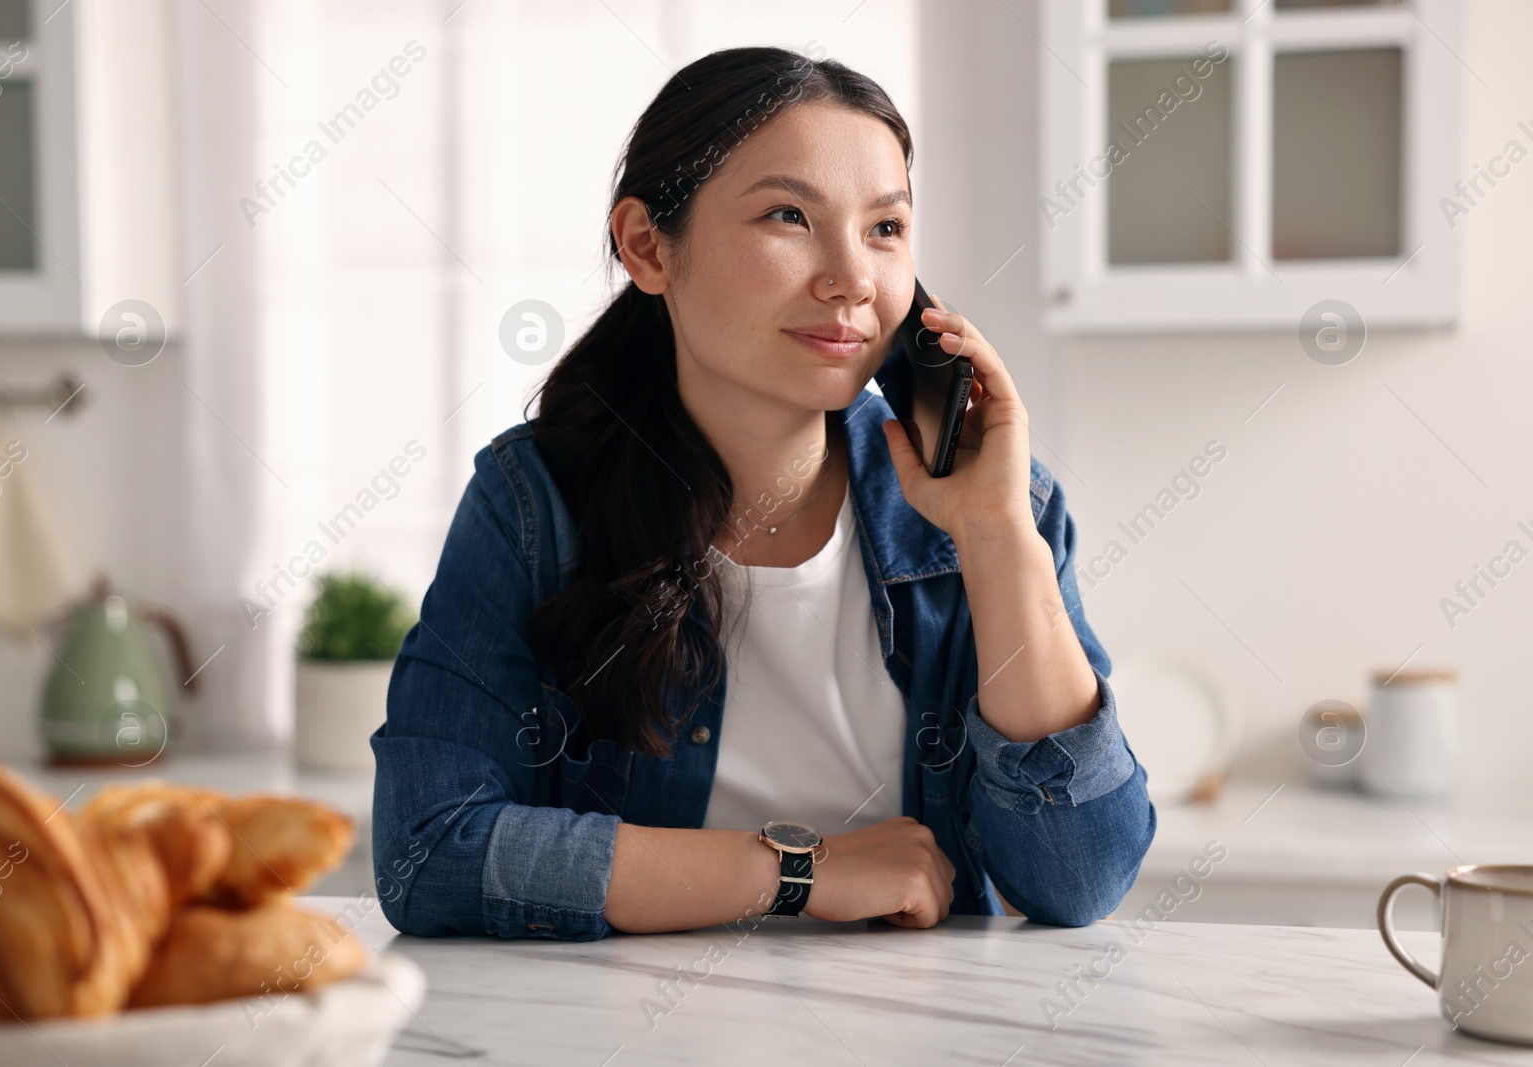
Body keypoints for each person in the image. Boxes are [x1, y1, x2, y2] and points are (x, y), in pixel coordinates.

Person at [371, 45, 1154, 941]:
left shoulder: (994, 503)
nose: (853, 279)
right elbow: (425, 852)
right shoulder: (534, 502)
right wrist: (797, 870)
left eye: (886, 230)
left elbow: (1079, 876)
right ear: (647, 246)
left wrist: (997, 539)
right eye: (790, 215)